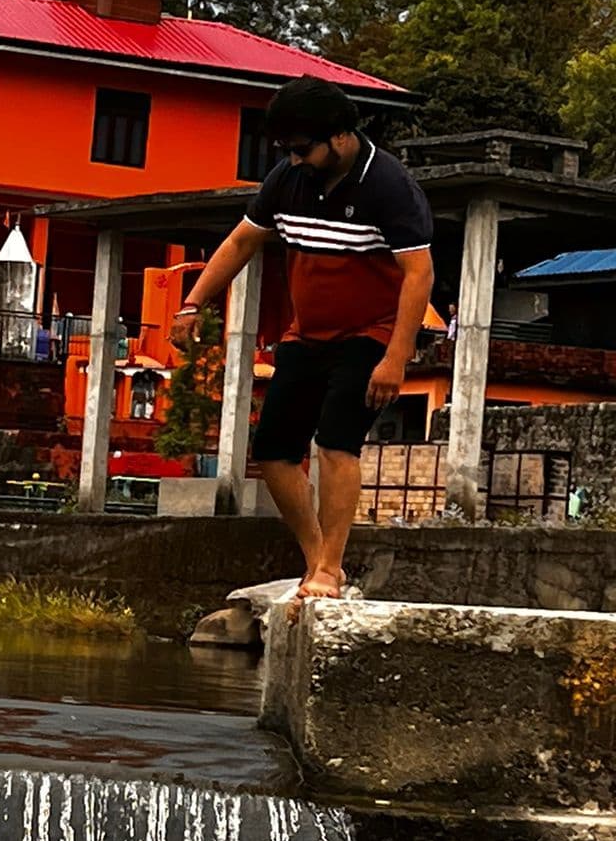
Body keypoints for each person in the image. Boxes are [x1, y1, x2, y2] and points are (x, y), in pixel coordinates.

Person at [170, 75, 434, 598]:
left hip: (370, 335)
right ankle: (318, 561)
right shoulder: (288, 179)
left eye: (302, 149)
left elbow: (419, 273)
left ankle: (330, 567)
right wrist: (192, 303)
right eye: (286, 150)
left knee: (336, 442)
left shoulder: (388, 185)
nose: (293, 159)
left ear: (340, 137)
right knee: (273, 451)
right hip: (307, 336)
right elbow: (241, 242)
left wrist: (396, 357)